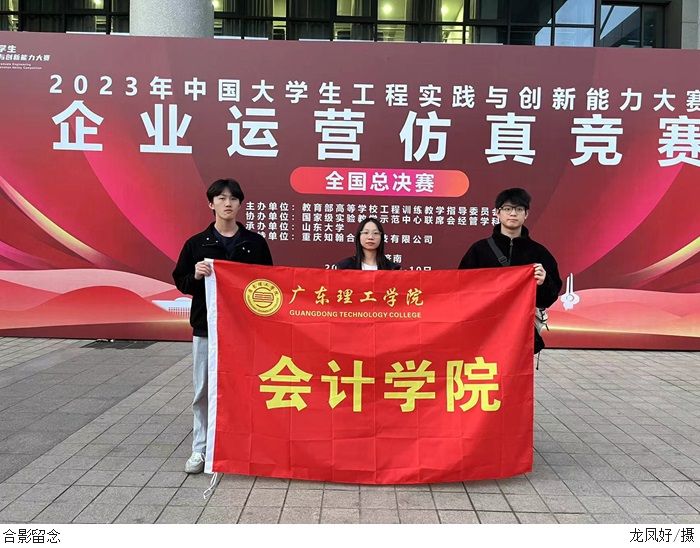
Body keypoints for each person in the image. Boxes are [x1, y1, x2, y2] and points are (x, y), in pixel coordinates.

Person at [172, 178, 272, 474]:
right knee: (203, 390)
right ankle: (200, 448)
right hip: (207, 329)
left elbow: (268, 283)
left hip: (245, 330)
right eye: (221, 198)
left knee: (245, 387)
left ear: (240, 204)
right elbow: (181, 282)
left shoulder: (255, 243)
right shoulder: (196, 244)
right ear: (211, 204)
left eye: (233, 198)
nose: (227, 203)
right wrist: (196, 275)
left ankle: (243, 444)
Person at [458, 187, 562, 354]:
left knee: (516, 370)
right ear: (497, 213)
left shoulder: (539, 253)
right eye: (507, 209)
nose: (513, 213)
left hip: (521, 332)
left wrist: (544, 282)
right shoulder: (479, 250)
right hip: (484, 330)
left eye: (519, 209)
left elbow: (547, 299)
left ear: (526, 214)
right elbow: (462, 288)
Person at [334, 217, 401, 270]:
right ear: (359, 236)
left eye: (375, 233)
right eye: (366, 232)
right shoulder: (345, 266)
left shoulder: (392, 268)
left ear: (381, 237)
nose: (370, 237)